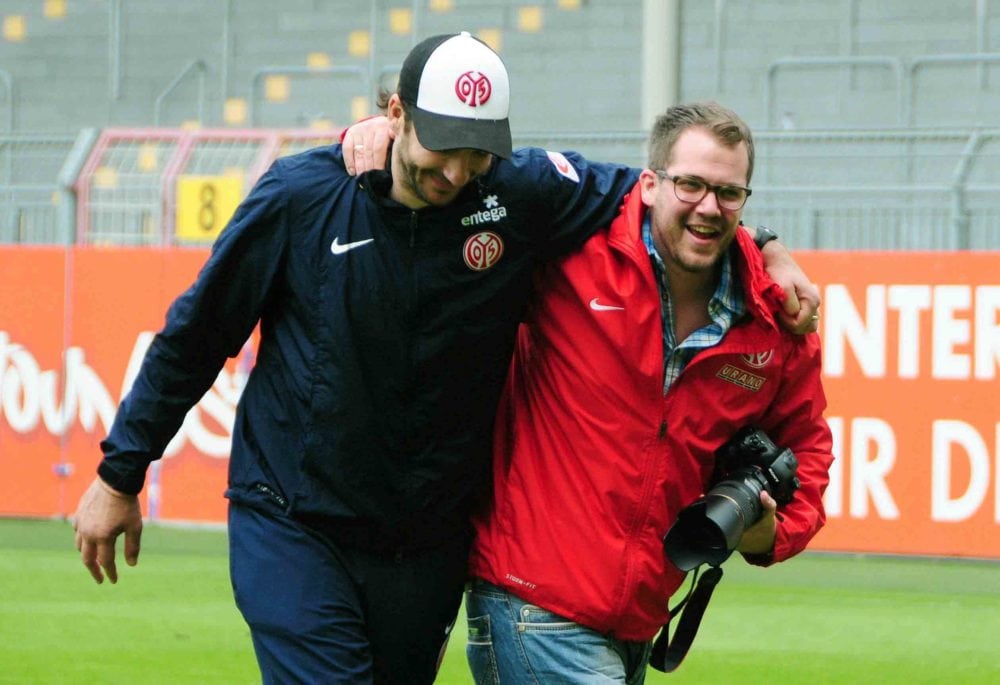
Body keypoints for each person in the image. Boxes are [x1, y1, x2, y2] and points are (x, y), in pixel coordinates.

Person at [72, 32, 819, 685]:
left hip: (427, 545)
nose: (458, 172)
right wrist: (119, 470)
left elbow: (666, 197)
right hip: (295, 520)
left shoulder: (519, 192)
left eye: (477, 151)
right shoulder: (301, 197)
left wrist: (769, 249)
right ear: (393, 114)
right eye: (441, 145)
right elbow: (196, 334)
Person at [462, 101, 834, 684]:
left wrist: (769, 531)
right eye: (690, 184)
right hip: (532, 603)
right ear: (652, 182)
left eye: (729, 193)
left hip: (638, 622)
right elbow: (461, 181)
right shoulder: (571, 254)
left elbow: (808, 452)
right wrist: (385, 132)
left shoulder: (774, 319)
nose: (708, 208)